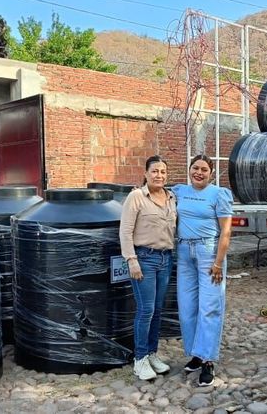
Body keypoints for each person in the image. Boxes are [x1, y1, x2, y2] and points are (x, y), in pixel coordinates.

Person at [171, 155, 233, 387]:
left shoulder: (219, 194)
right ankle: (196, 354)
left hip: (209, 253)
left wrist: (218, 263)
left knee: (209, 307)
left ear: (211, 173)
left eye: (204, 169)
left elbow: (226, 231)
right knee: (187, 307)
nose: (199, 172)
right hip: (185, 252)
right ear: (189, 169)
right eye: (195, 168)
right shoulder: (179, 191)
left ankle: (208, 361)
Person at [119, 155, 177, 381]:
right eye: (154, 171)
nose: (159, 175)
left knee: (158, 310)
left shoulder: (171, 197)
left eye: (163, 172)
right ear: (146, 174)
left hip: (165, 258)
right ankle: (140, 359)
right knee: (146, 310)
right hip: (144, 258)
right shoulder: (136, 197)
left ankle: (152, 353)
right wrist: (131, 260)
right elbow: (125, 231)